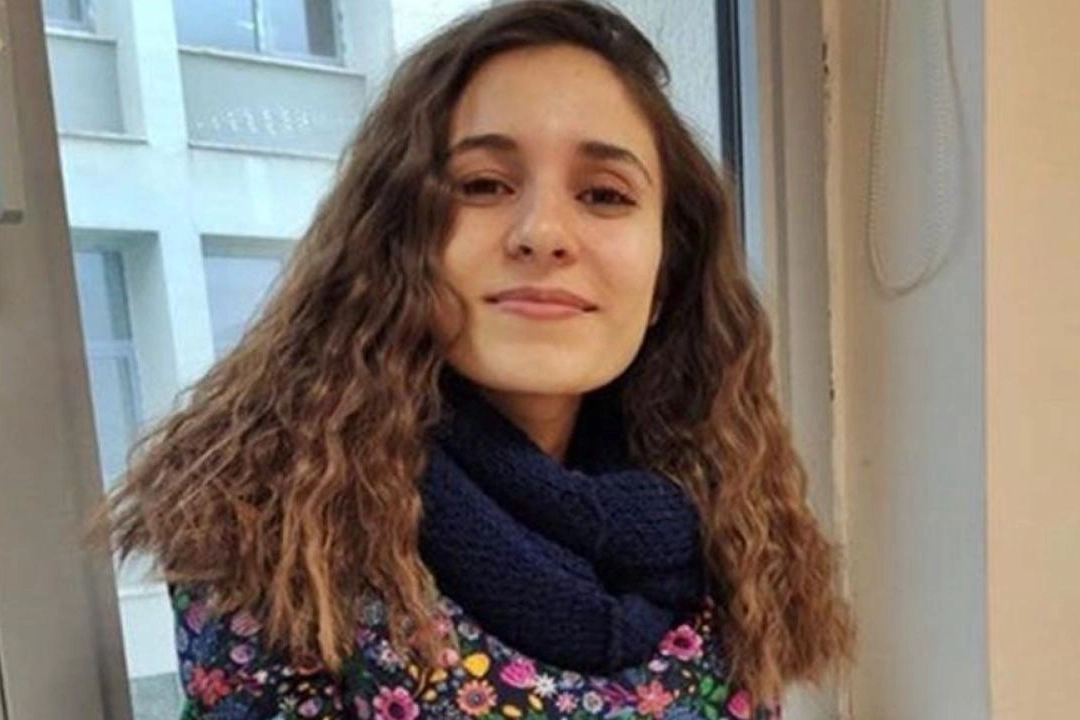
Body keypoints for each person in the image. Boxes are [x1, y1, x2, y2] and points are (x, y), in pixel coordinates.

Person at [92, 1, 855, 718]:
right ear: (398, 242)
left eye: (605, 194)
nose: (543, 233)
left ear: (666, 276)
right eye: (484, 185)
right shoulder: (286, 542)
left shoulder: (726, 521)